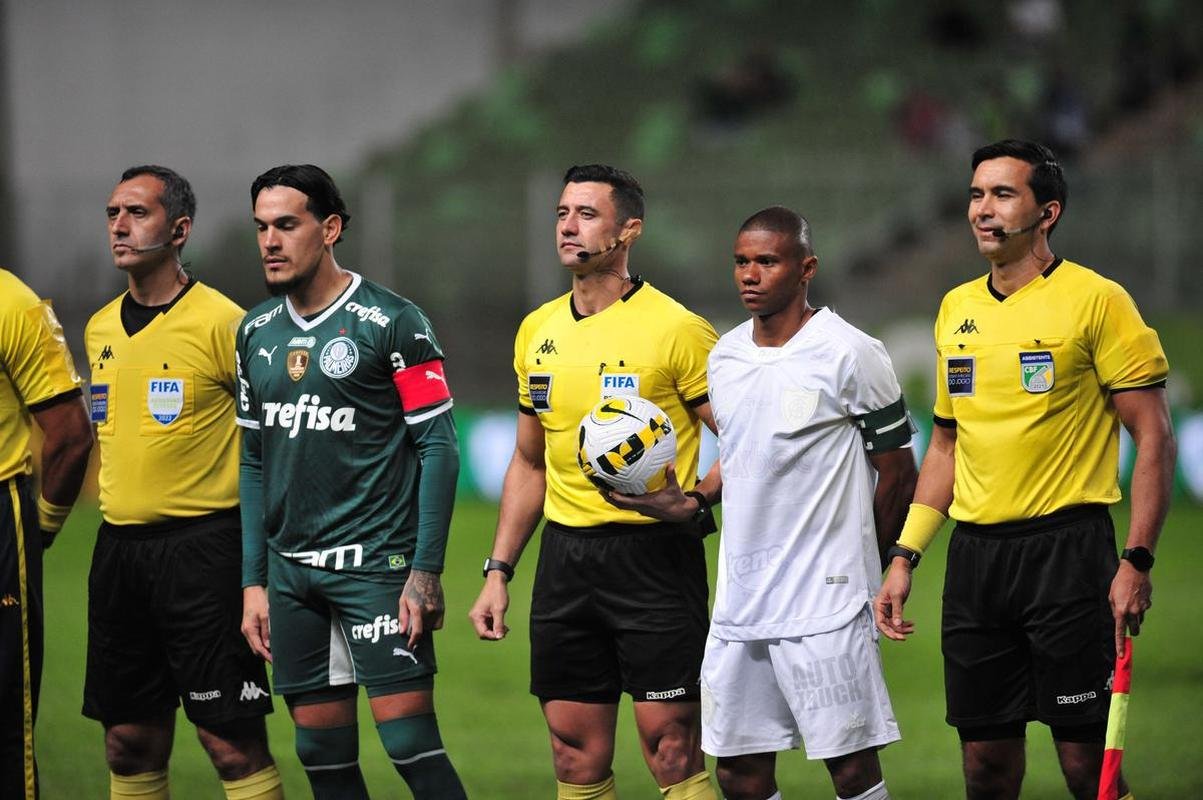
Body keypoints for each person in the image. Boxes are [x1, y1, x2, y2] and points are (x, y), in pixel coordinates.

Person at [874, 140, 1176, 800]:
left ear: (1047, 213)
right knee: (984, 765)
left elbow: (1151, 434)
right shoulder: (956, 308)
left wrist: (1137, 560)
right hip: (976, 562)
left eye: (1002, 195)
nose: (982, 209)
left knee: (1083, 766)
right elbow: (946, 447)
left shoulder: (1096, 300)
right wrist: (904, 556)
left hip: (1067, 555)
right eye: (976, 194)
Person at [610, 207, 917, 800]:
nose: (750, 274)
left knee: (850, 766)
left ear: (806, 269)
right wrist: (694, 501)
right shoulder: (725, 356)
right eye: (741, 262)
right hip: (741, 600)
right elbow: (747, 453)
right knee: (738, 772)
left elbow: (898, 474)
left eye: (767, 261)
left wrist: (868, 567)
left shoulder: (852, 353)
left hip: (825, 600)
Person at [468, 164, 720, 800]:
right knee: (573, 755)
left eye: (585, 214)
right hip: (567, 559)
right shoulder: (538, 331)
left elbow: (750, 442)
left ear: (629, 229)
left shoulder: (678, 330)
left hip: (655, 557)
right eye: (561, 214)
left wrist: (692, 502)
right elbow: (528, 463)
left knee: (671, 746)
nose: (567, 227)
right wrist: (498, 571)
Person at [237, 164, 466, 800]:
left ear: (330, 227)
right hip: (291, 576)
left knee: (410, 748)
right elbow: (253, 460)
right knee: (321, 756)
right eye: (261, 228)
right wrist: (253, 581)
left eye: (287, 225)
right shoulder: (254, 331)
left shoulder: (394, 322)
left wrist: (424, 572)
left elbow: (439, 448)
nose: (270, 242)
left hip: (375, 568)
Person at [83, 165, 283, 800]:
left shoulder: (230, 325)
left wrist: (262, 564)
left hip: (206, 554)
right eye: (113, 212)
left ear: (179, 230)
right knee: (128, 743)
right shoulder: (99, 329)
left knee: (230, 744)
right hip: (118, 554)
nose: (119, 224)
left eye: (136, 213)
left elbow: (274, 444)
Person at [0, 270, 92, 800]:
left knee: (6, 719)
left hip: (1, 516)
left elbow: (71, 436)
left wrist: (41, 530)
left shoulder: (13, 304)